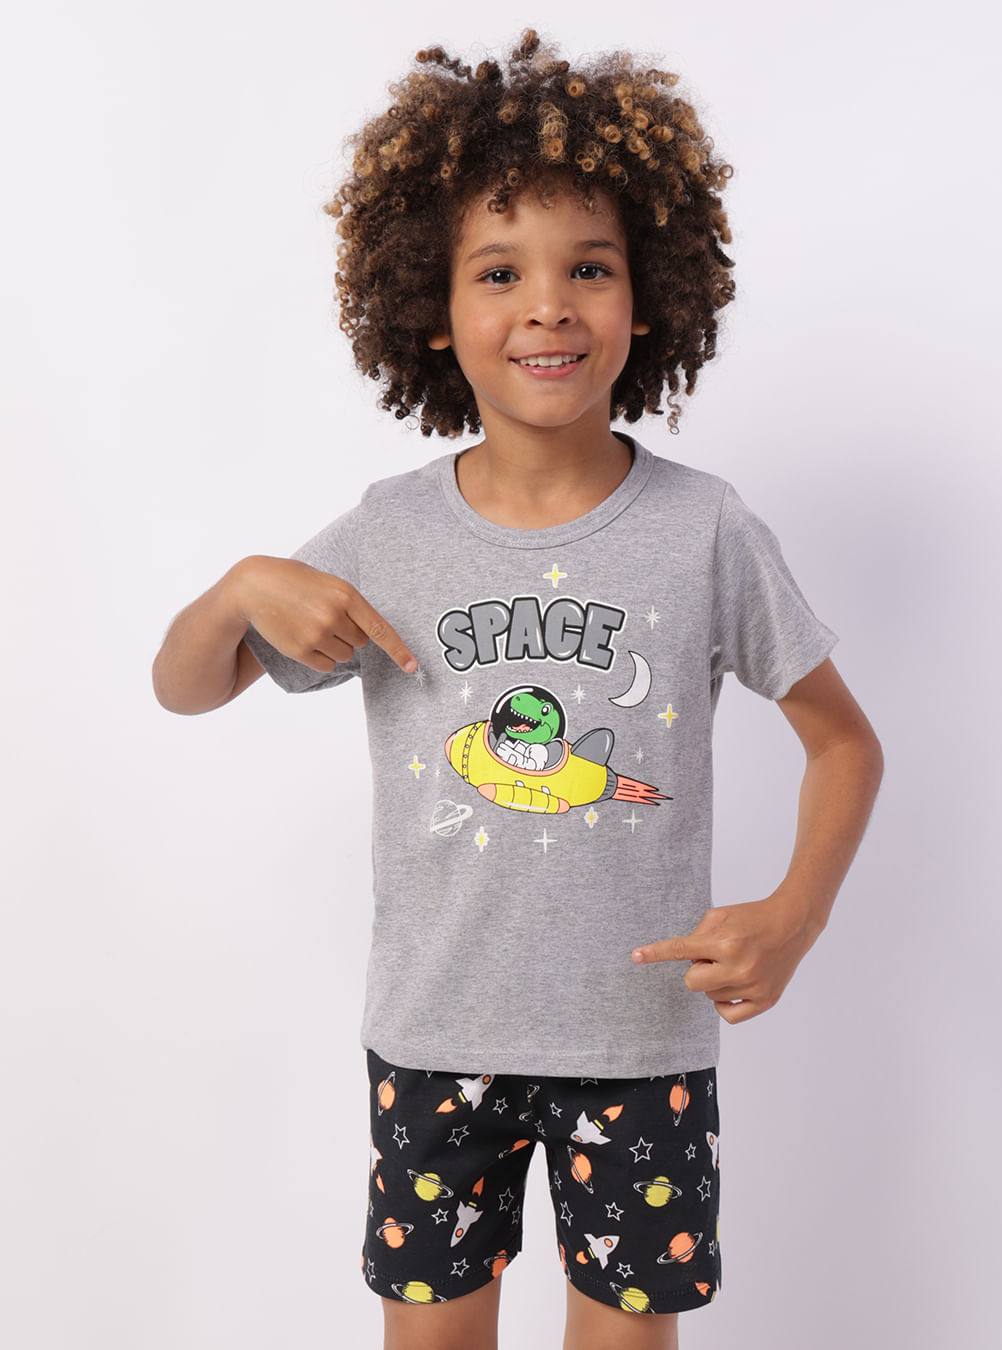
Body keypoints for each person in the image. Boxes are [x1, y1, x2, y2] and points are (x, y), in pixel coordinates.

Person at [152, 30, 883, 1350]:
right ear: (434, 312)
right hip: (436, 1034)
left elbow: (844, 743)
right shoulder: (386, 533)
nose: (547, 305)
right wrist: (235, 590)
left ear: (645, 299)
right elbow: (188, 689)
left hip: (640, 1045)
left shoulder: (705, 531)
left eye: (587, 267)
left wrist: (798, 911)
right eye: (501, 272)